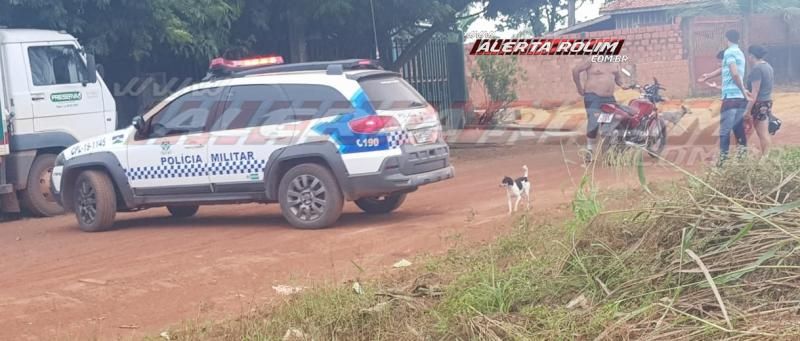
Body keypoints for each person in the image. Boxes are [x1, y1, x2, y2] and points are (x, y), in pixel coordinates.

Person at [698, 29, 752, 164]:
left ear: (726, 38)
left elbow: (734, 74)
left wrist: (743, 91)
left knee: (725, 131)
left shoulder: (728, 52)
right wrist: (708, 75)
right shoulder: (740, 53)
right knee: (738, 128)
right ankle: (742, 159)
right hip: (739, 99)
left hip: (731, 98)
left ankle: (722, 163)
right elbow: (726, 69)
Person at [572, 58, 625, 163]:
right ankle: (590, 151)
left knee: (612, 122)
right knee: (594, 123)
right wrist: (579, 88)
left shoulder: (614, 63)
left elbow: (618, 79)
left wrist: (623, 85)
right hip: (593, 97)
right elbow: (575, 70)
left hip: (609, 98)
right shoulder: (591, 61)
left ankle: (609, 151)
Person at [745, 44, 774, 156]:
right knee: (764, 132)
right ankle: (766, 157)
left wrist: (748, 110)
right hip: (766, 101)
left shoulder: (757, 69)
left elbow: (755, 92)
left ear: (752, 56)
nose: (748, 58)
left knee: (762, 133)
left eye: (749, 55)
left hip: (759, 103)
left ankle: (765, 158)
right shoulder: (768, 66)